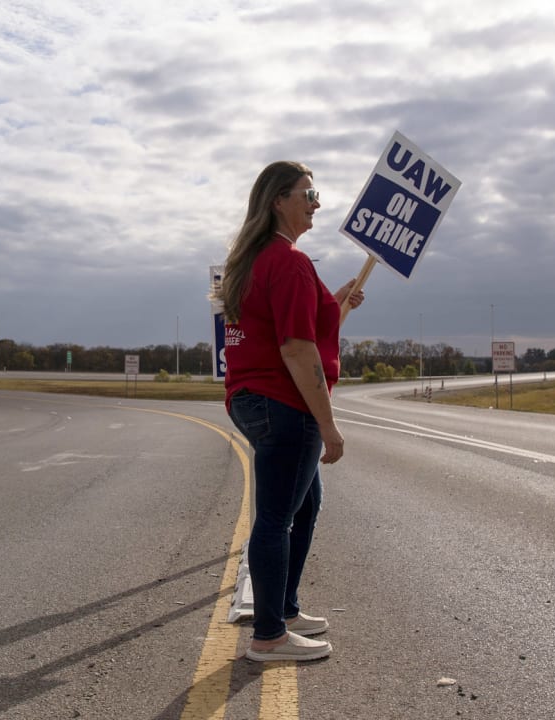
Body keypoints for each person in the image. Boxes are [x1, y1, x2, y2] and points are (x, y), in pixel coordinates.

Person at [215, 161, 364, 662]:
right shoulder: (290, 263)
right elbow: (298, 350)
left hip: (251, 399)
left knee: (305, 505)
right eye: (308, 192)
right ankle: (270, 635)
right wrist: (329, 426)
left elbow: (302, 331)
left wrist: (336, 305)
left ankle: (286, 606)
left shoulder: (255, 260)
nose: (316, 202)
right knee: (277, 517)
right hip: (284, 402)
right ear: (279, 199)